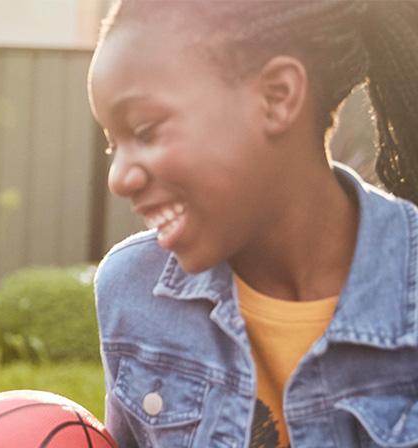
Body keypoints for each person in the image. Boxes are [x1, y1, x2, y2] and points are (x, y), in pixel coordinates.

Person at [87, 0, 418, 446]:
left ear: (277, 96)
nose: (118, 178)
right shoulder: (133, 291)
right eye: (113, 145)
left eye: (145, 131)